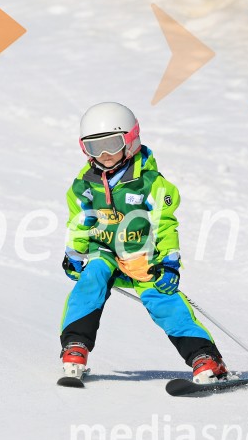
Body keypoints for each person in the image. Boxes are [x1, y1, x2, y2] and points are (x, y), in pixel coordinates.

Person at [60, 102, 227, 384]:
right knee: (91, 279)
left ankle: (205, 357)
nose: (103, 154)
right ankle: (75, 347)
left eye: (111, 144)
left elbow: (165, 224)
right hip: (105, 251)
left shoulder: (150, 183)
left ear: (130, 140)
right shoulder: (84, 184)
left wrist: (169, 262)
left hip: (142, 255)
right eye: (94, 147)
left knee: (162, 299)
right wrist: (74, 253)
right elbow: (80, 220)